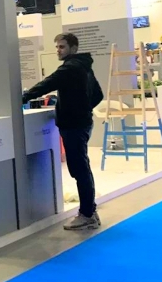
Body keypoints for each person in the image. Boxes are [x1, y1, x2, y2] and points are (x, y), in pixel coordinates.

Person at [22, 33, 103, 231]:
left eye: (62, 47)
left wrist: (23, 97)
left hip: (74, 126)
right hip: (82, 123)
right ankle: (89, 211)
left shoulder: (70, 67)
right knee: (81, 168)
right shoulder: (84, 66)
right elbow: (98, 95)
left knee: (79, 170)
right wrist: (84, 108)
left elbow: (47, 84)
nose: (58, 50)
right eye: (57, 47)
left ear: (73, 48)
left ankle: (87, 215)